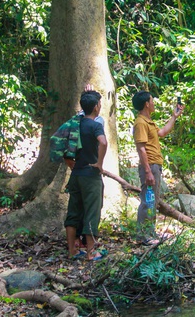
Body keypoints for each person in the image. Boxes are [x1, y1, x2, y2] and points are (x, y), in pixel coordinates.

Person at [132, 91, 183, 245]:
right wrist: (147, 171)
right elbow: (141, 148)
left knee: (152, 201)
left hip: (155, 166)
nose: (154, 103)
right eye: (152, 101)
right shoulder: (140, 123)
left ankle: (150, 233)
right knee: (148, 200)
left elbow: (162, 132)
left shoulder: (148, 122)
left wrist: (174, 116)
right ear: (147, 104)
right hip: (150, 166)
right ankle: (144, 236)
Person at [64, 90, 107, 261]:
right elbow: (103, 142)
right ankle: (91, 252)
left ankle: (72, 251)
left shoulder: (75, 124)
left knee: (73, 212)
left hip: (76, 175)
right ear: (96, 107)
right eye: (99, 103)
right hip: (91, 175)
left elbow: (64, 146)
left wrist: (70, 163)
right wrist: (99, 163)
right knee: (92, 211)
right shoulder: (95, 125)